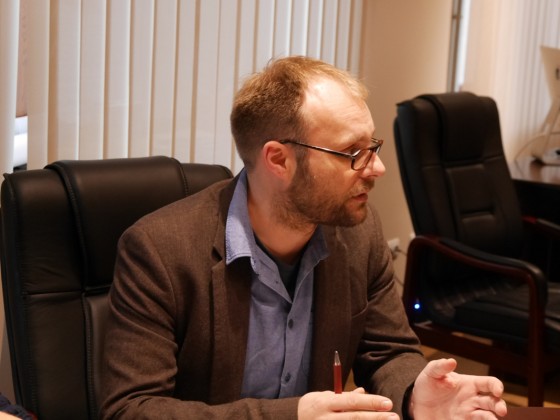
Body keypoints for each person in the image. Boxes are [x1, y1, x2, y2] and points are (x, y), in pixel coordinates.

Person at [100, 56, 507, 419]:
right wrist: (291, 415)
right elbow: (132, 410)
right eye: (353, 153)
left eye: (373, 146)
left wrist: (415, 395)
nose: (377, 168)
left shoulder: (359, 232)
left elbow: (387, 351)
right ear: (279, 160)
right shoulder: (160, 250)